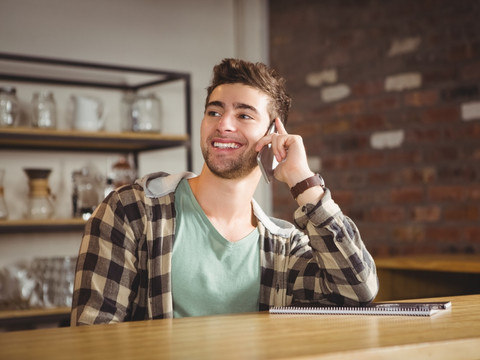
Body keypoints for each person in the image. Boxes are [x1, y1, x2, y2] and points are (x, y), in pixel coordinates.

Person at [71, 58, 378, 325]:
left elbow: (358, 289)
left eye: (244, 115)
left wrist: (304, 182)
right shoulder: (131, 211)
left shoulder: (284, 248)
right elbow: (95, 338)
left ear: (272, 135)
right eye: (214, 112)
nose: (223, 125)